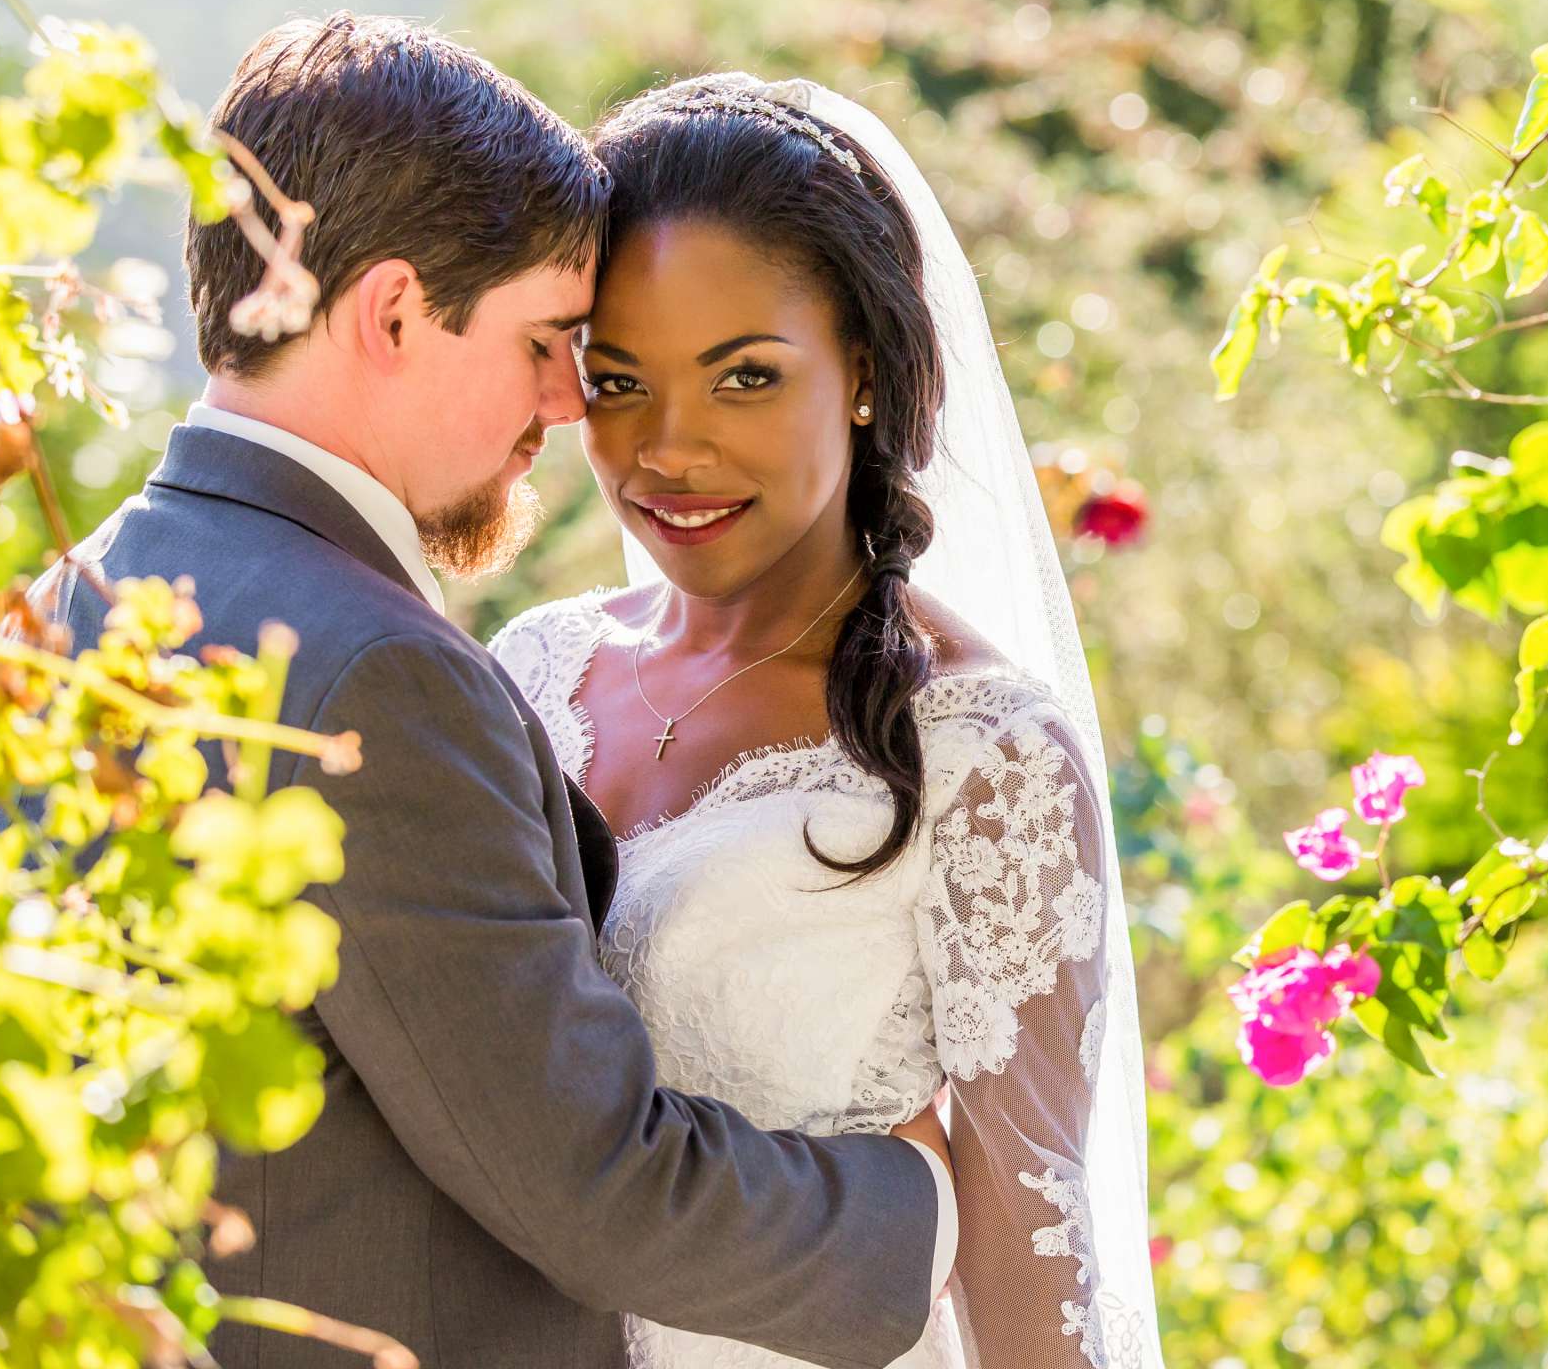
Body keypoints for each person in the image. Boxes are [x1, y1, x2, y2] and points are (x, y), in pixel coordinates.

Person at [28, 15, 954, 1369]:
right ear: (395, 311)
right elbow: (591, 1185)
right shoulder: (371, 672)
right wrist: (919, 1206)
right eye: (545, 340)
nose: (569, 407)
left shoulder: (79, 593)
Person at [487, 72, 1164, 1368]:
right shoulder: (535, 669)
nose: (668, 449)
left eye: (743, 376)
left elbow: (1028, 1236)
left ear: (862, 368)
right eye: (619, 381)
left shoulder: (981, 756)